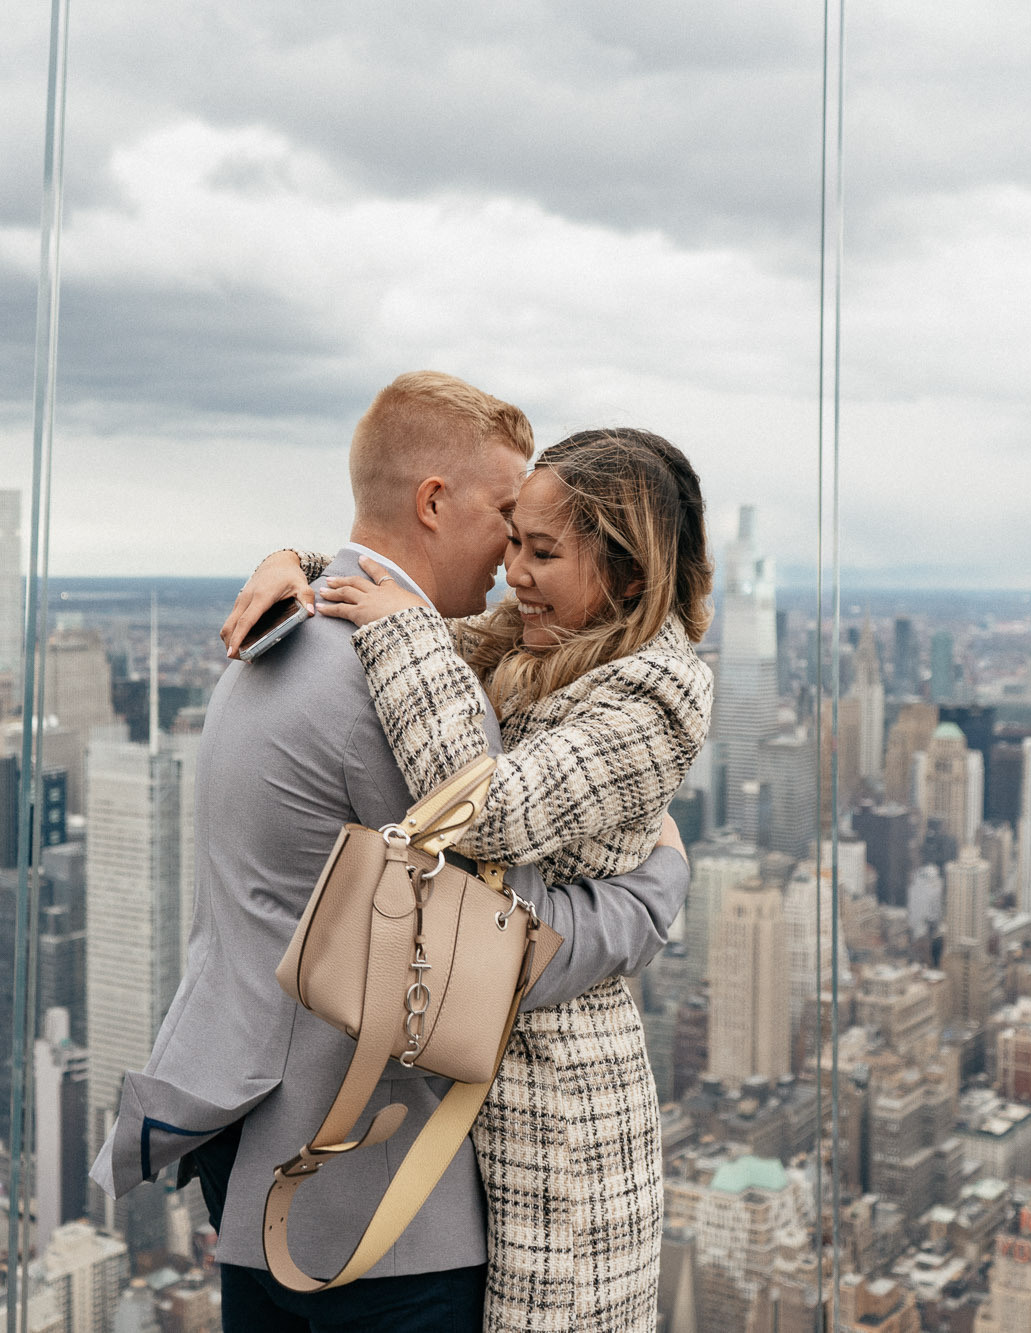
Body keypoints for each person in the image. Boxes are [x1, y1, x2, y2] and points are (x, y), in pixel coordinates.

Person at [92, 372, 691, 1332]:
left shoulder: (278, 636)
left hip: (256, 1171)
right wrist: (658, 887)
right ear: (434, 502)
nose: (510, 554)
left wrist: (297, 555)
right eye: (507, 517)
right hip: (380, 1208)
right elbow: (505, 949)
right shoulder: (400, 688)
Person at [232, 426, 714, 1331]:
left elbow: (487, 807)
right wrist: (296, 563)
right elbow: (397, 612)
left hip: (564, 1104)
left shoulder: (657, 691)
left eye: (543, 551)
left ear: (629, 577)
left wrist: (405, 633)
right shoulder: (529, 641)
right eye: (514, 538)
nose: (512, 569)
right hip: (479, 1081)